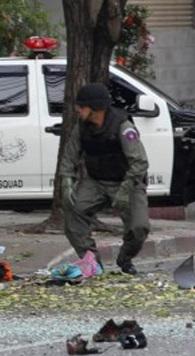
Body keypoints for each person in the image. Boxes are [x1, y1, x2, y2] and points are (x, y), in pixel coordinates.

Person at [59, 83, 150, 275]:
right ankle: (92, 261)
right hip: (96, 182)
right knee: (74, 214)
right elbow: (69, 156)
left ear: (95, 108)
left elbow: (140, 162)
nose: (78, 110)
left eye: (82, 106)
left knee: (139, 227)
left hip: (127, 181)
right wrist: (67, 181)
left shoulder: (123, 127)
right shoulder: (82, 128)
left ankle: (125, 258)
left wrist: (125, 190)